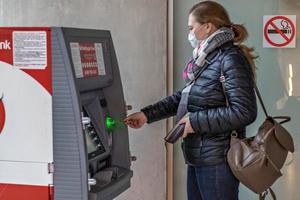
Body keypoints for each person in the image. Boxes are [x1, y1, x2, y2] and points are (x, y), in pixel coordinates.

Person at [124, 1, 257, 200]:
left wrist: (195, 121)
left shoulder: (230, 58)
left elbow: (244, 112)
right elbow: (185, 97)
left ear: (208, 26)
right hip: (198, 156)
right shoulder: (206, 59)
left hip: (218, 160)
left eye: (191, 27)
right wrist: (146, 115)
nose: (190, 33)